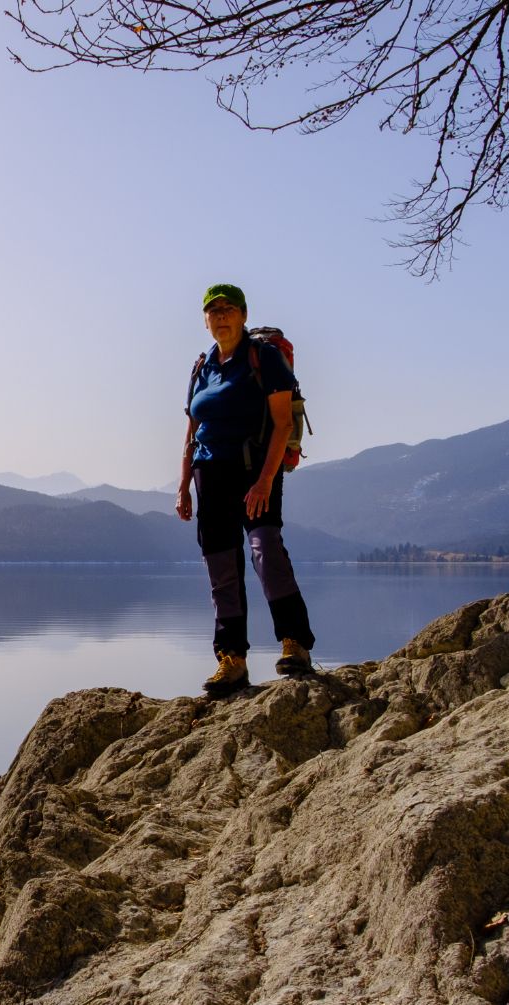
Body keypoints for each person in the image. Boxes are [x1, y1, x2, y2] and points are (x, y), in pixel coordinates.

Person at [175, 283, 316, 697]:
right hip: (209, 476)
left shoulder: (264, 359)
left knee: (264, 550)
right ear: (206, 319)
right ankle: (231, 659)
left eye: (228, 309)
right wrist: (183, 485)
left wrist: (265, 482)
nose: (221, 316)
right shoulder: (202, 366)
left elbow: (283, 424)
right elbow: (191, 431)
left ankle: (295, 643)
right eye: (213, 310)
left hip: (256, 469)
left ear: (243, 314)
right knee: (221, 568)